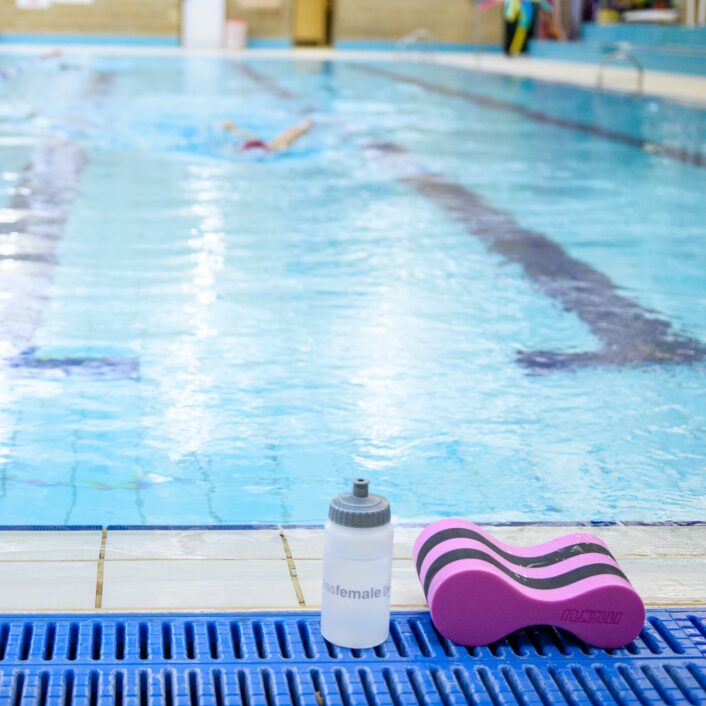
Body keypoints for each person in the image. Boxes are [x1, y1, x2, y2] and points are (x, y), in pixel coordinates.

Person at [223, 118, 314, 153]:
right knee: (285, 140)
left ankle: (306, 126)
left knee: (285, 139)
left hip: (256, 147)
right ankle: (307, 125)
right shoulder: (270, 148)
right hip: (260, 147)